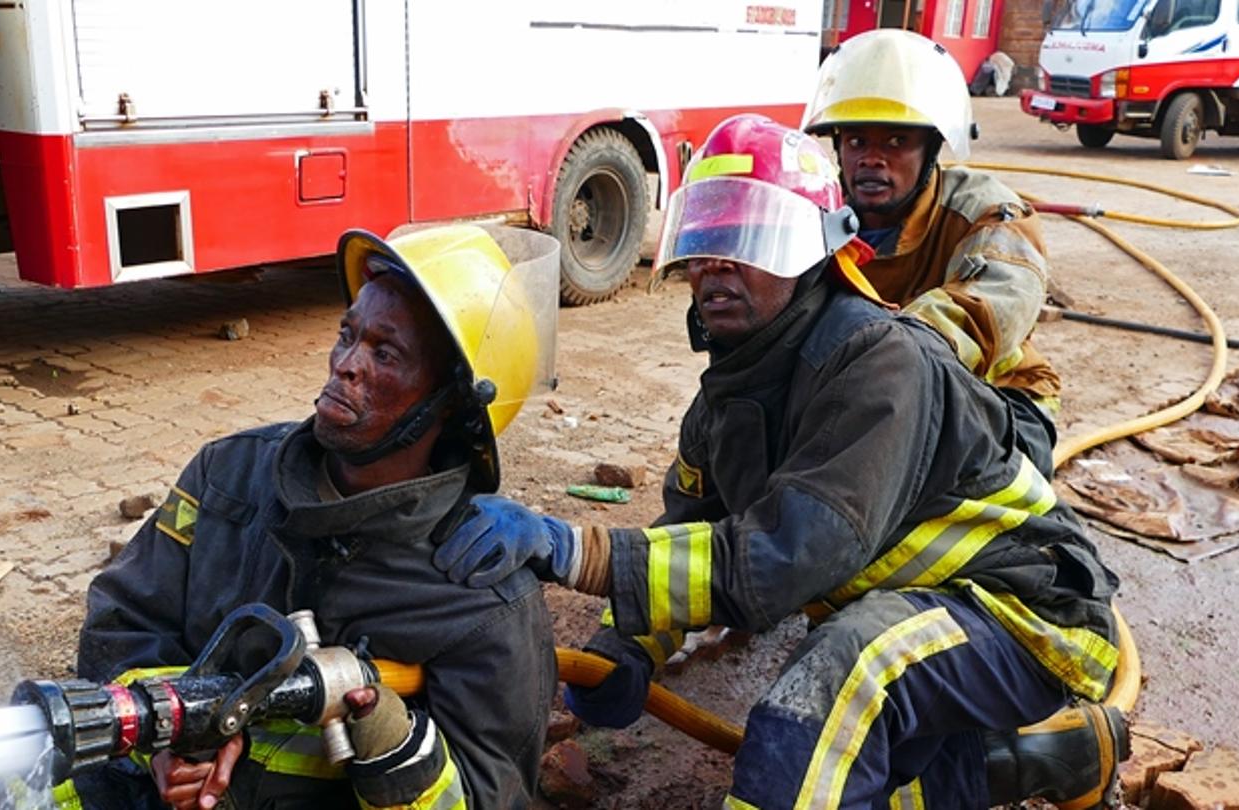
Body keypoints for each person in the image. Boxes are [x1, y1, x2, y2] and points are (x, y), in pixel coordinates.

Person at [435, 115, 1128, 809]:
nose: (716, 265)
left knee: (833, 690)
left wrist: (575, 549)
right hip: (909, 611)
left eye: (749, 239)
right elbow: (688, 532)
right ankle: (1032, 758)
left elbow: (788, 554)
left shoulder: (881, 364)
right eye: (705, 241)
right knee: (853, 774)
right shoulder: (724, 403)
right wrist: (628, 646)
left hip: (1022, 617)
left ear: (815, 253)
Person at [63, 224, 559, 810]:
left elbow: (489, 797)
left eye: (385, 353)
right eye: (348, 334)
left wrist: (397, 748)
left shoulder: (482, 600)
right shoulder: (227, 476)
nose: (346, 365)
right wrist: (162, 741)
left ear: (451, 402)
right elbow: (121, 624)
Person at [810, 30, 1062, 471]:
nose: (872, 159)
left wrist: (885, 352)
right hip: (867, 398)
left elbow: (999, 299)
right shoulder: (817, 219)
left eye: (896, 142)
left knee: (907, 480)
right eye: (856, 141)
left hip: (1000, 401)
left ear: (932, 148)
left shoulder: (988, 213)